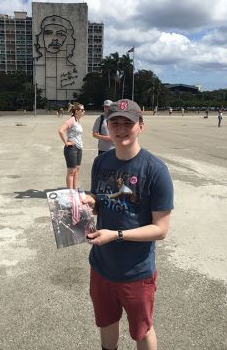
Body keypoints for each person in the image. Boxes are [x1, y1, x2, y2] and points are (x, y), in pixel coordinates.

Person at [85, 99, 174, 350]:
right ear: (107, 125)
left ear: (141, 126)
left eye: (128, 123)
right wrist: (86, 203)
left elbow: (161, 229)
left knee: (142, 331)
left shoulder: (155, 171)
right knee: (106, 322)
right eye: (115, 123)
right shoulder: (101, 162)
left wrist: (116, 235)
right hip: (101, 265)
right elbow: (99, 201)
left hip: (136, 272)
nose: (121, 129)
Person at [58, 102, 85, 189]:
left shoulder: (77, 121)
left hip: (79, 148)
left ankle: (75, 190)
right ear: (77, 111)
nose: (84, 111)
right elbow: (61, 130)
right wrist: (66, 142)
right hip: (71, 149)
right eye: (82, 110)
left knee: (77, 170)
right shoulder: (72, 120)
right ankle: (70, 192)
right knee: (71, 172)